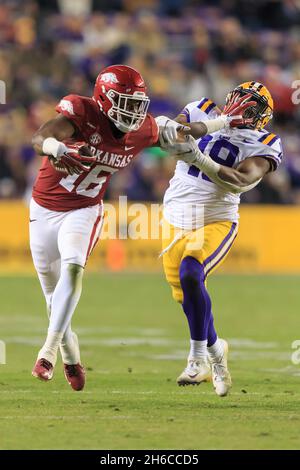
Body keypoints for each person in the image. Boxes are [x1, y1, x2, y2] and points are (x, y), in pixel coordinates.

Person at [30, 64, 251, 391]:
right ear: (105, 98)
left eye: (138, 104)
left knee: (73, 270)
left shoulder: (143, 130)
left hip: (85, 210)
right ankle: (69, 353)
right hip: (44, 209)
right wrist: (57, 148)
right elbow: (40, 137)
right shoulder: (82, 112)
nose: (133, 111)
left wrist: (224, 122)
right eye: (126, 102)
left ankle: (47, 351)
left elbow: (184, 132)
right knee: (52, 297)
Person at [161, 81, 283, 396]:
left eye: (253, 107)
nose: (245, 108)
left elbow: (241, 181)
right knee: (187, 297)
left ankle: (196, 357)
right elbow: (168, 136)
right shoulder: (201, 108)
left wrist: (199, 158)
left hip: (217, 221)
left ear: (262, 117)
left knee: (192, 269)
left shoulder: (265, 141)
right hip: (177, 220)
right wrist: (179, 134)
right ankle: (215, 353)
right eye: (243, 100)